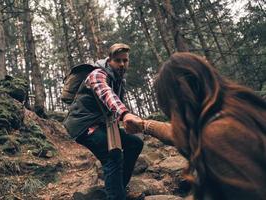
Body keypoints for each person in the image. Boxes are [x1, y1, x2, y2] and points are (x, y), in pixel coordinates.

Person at [124, 52, 266, 200]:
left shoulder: (219, 133)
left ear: (181, 98)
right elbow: (184, 134)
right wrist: (144, 125)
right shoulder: (234, 109)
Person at [63, 43, 143, 200]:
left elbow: (111, 107)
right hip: (82, 125)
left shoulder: (119, 81)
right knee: (112, 155)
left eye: (125, 61)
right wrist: (125, 114)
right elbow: (107, 95)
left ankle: (118, 190)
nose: (121, 64)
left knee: (135, 143)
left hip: (100, 124)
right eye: (117, 60)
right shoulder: (97, 74)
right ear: (109, 60)